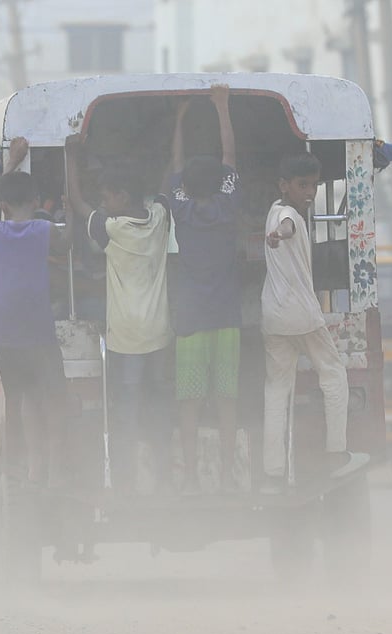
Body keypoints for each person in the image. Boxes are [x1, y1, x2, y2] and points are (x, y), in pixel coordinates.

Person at [65, 134, 174, 494]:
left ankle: (126, 476)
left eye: (108, 195)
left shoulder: (113, 228)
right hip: (158, 333)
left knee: (126, 404)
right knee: (158, 400)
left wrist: (69, 156)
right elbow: (167, 183)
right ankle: (161, 468)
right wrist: (178, 124)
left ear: (122, 197)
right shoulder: (159, 219)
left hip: (126, 336)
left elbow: (78, 203)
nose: (104, 201)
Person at [261, 152, 369, 493]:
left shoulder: (273, 211)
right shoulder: (288, 216)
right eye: (302, 185)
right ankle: (335, 453)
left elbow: (283, 228)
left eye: (314, 186)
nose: (309, 192)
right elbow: (288, 228)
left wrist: (276, 233)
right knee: (334, 374)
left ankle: (273, 469)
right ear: (284, 186)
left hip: (274, 316)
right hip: (303, 314)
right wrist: (279, 234)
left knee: (277, 389)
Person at [166, 84, 243, 493]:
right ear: (221, 182)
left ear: (186, 187)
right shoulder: (228, 206)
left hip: (190, 321)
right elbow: (229, 155)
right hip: (227, 317)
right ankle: (229, 473)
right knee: (227, 400)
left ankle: (193, 476)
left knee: (189, 403)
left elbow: (175, 164)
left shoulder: (181, 209)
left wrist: (179, 119)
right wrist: (222, 107)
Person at [0, 136, 69, 491]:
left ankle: (18, 467)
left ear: (4, 206)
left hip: (2, 330)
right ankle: (51, 467)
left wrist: (11, 162)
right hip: (35, 328)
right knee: (53, 398)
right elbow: (67, 247)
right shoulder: (44, 229)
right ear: (36, 202)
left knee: (18, 398)